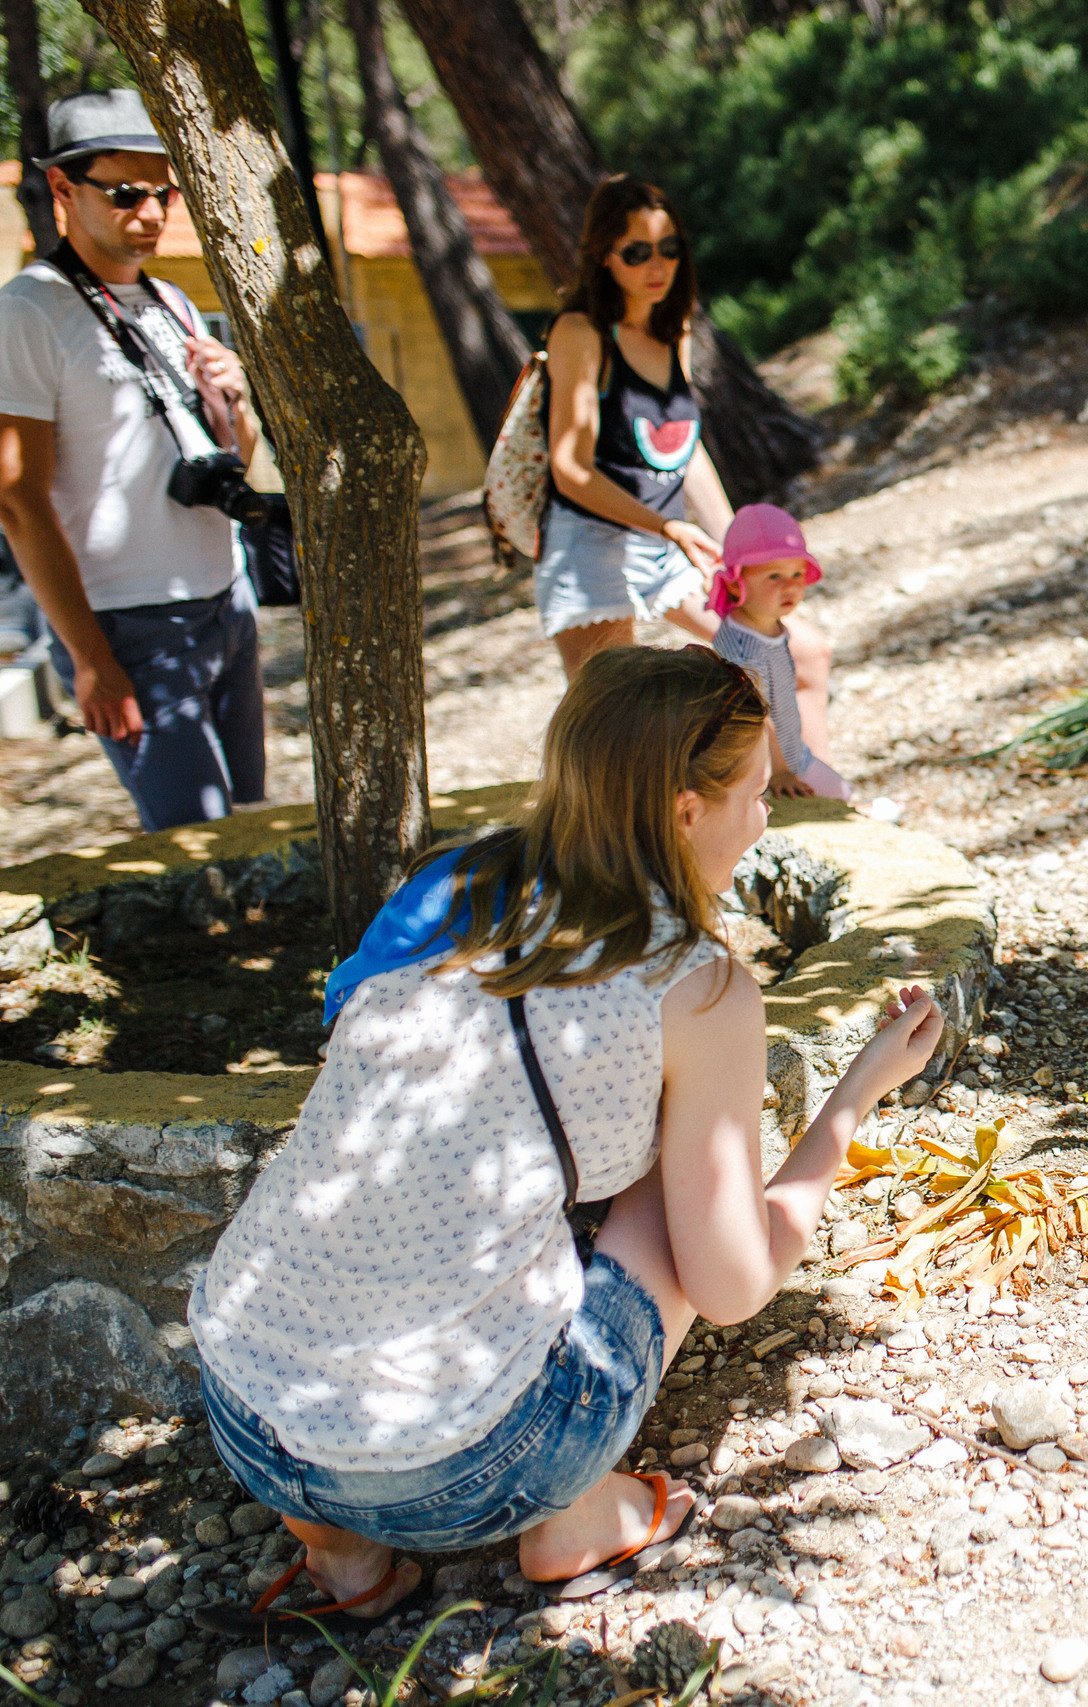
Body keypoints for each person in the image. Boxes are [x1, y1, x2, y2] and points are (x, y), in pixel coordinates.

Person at [187, 646, 943, 1624]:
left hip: (244, 1411)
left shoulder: (459, 883)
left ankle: (342, 1555)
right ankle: (575, 1517)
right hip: (459, 1471)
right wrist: (854, 1096)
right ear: (685, 810)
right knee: (673, 1185)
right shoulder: (696, 986)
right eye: (757, 795)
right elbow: (732, 1285)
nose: (765, 819)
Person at [0, 90, 265, 830]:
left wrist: (236, 401)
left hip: (226, 600)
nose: (150, 214)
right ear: (62, 188)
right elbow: (17, 499)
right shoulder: (28, 311)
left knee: (251, 831)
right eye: (125, 194)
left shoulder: (170, 300)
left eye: (163, 194)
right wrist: (89, 657)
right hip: (128, 623)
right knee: (200, 842)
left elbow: (231, 460)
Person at [537, 176, 829, 726]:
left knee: (800, 657)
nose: (658, 265)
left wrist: (737, 546)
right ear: (603, 255)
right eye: (637, 252)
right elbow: (571, 468)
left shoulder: (675, 327)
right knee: (611, 724)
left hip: (668, 545)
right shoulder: (580, 332)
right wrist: (669, 527)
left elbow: (681, 447)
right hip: (590, 545)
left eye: (669, 248)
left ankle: (800, 777)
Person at [710, 504, 846, 800]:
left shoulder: (765, 623)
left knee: (841, 792)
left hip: (793, 751)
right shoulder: (742, 650)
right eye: (774, 576)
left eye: (797, 573)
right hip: (762, 766)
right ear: (735, 585)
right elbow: (756, 715)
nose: (790, 586)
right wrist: (779, 771)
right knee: (836, 796)